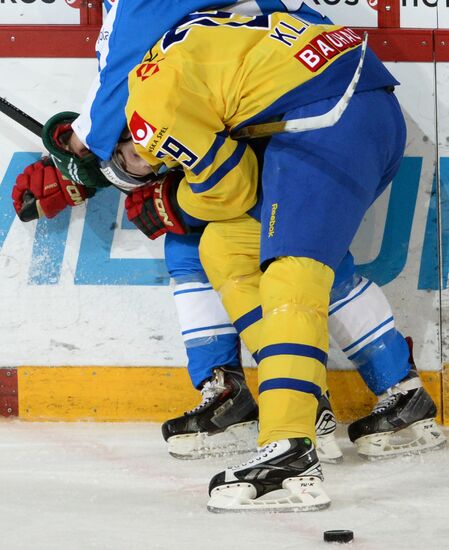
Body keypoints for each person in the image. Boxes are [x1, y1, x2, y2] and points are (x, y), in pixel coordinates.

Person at [10, 0, 443, 469]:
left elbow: (125, 79)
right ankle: (270, 394)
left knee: (292, 245)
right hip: (275, 90)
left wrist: (84, 159)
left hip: (303, 101)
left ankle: (334, 410)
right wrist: (100, 156)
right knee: (238, 237)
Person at [116, 10, 446, 511]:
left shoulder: (149, 108)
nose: (138, 166)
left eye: (129, 160)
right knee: (226, 247)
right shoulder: (186, 42)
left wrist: (177, 201)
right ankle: (306, 399)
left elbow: (235, 186)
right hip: (352, 104)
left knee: (295, 274)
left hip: (329, 120)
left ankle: (288, 451)